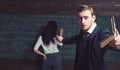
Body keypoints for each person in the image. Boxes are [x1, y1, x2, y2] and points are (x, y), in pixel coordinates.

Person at [56, 5, 120, 70]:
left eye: (86, 17)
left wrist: (118, 44)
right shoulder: (82, 32)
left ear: (93, 18)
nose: (83, 21)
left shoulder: (102, 33)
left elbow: (112, 43)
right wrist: (62, 40)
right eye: (80, 18)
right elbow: (74, 39)